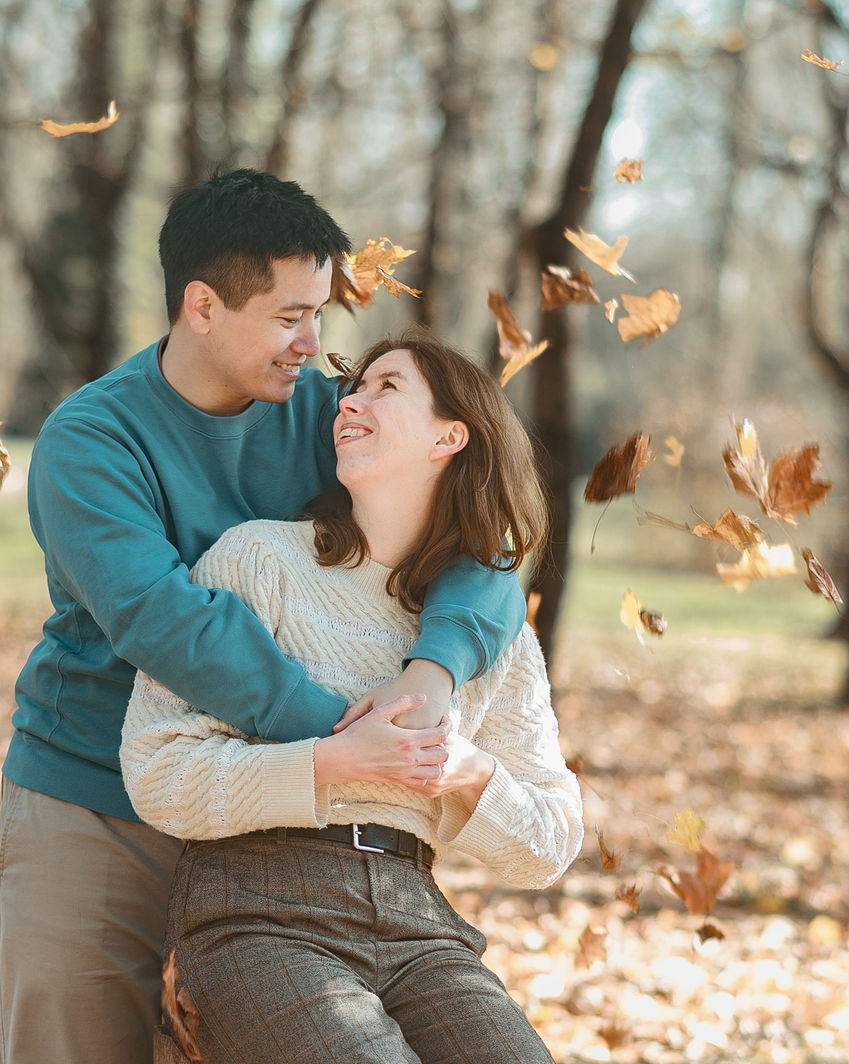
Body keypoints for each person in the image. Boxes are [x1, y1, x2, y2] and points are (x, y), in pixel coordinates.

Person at [0, 171, 527, 1064]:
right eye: (289, 317)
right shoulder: (92, 442)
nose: (314, 344)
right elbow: (169, 623)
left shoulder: (330, 417)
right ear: (202, 306)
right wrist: (344, 742)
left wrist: (430, 677)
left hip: (275, 822)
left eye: (320, 313)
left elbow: (482, 538)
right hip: (98, 797)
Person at [121, 328, 584, 1064]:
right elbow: (158, 771)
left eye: (386, 387)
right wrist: (333, 762)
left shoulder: (495, 636)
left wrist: (460, 770)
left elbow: (550, 844)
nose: (351, 401)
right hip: (257, 913)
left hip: (420, 923)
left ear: (450, 437)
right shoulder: (261, 559)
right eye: (353, 386)